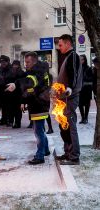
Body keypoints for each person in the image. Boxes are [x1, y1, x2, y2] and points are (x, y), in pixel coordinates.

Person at [6, 52, 50, 165]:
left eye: (28, 62)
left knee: (38, 131)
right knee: (40, 129)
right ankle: (45, 150)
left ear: (34, 61)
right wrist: (22, 98)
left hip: (39, 104)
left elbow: (29, 85)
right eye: (25, 62)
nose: (26, 64)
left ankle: (40, 156)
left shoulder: (37, 72)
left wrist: (16, 86)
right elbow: (27, 84)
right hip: (40, 103)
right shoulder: (38, 70)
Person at [55, 34, 83, 165]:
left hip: (70, 98)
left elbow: (74, 74)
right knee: (64, 127)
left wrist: (70, 87)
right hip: (64, 99)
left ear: (67, 43)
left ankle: (74, 156)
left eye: (60, 45)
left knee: (70, 127)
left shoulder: (73, 56)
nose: (59, 47)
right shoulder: (67, 57)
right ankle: (68, 152)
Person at [0, 55, 14, 127]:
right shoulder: (0, 69)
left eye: (4, 62)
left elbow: (12, 78)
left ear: (7, 62)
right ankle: (4, 119)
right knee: (3, 106)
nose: (2, 63)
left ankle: (10, 120)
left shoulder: (11, 69)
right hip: (2, 90)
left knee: (9, 107)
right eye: (1, 62)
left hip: (10, 91)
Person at [10, 60, 26, 128]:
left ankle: (17, 123)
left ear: (19, 65)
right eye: (14, 65)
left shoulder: (22, 73)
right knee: (12, 109)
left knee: (18, 110)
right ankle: (13, 122)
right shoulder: (11, 72)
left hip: (19, 93)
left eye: (16, 65)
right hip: (12, 94)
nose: (15, 66)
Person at [79, 54, 93, 124]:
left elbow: (91, 79)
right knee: (80, 104)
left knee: (87, 105)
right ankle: (82, 118)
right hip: (80, 90)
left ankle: (86, 118)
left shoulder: (88, 68)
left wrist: (85, 78)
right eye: (79, 59)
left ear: (84, 60)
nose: (80, 61)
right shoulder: (78, 69)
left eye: (81, 59)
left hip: (87, 90)